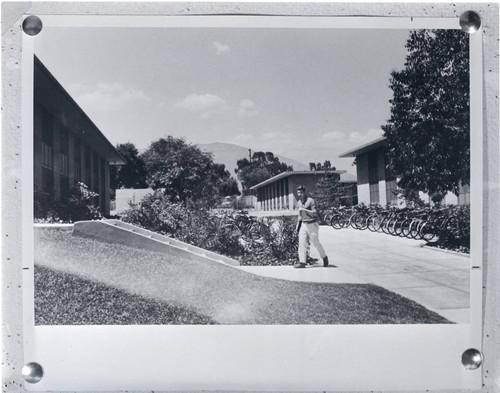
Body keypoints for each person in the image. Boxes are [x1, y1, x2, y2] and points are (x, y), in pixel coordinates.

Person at [294, 185, 329, 268]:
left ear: (304, 192)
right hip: (303, 224)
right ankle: (302, 262)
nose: (299, 194)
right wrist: (297, 227)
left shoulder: (310, 201)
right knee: (302, 243)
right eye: (298, 193)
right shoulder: (299, 202)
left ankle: (324, 257)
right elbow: (300, 216)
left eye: (301, 192)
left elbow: (315, 213)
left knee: (315, 242)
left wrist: (304, 210)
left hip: (312, 224)